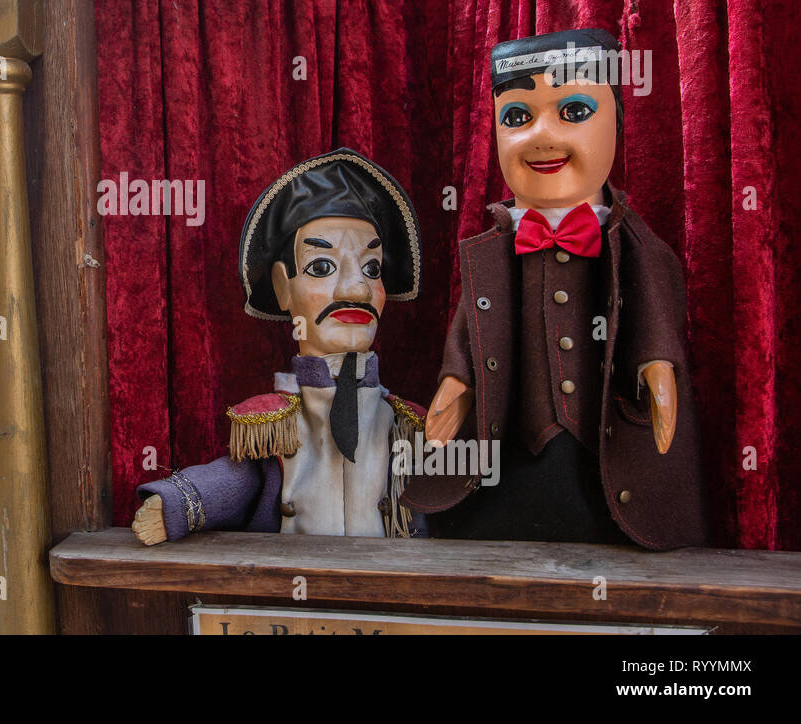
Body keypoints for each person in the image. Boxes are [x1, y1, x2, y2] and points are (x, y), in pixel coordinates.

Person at [404, 28, 709, 549]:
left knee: (598, 505)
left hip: (603, 444)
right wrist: (457, 381)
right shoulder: (493, 246)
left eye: (573, 111)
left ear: (615, 120)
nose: (541, 137)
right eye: (518, 117)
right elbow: (471, 323)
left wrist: (657, 365)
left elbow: (655, 301)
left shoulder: (629, 240)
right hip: (511, 442)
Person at [130, 148, 426, 544]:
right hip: (290, 595)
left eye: (371, 269)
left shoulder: (407, 426)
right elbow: (239, 481)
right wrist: (179, 504)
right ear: (283, 286)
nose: (357, 288)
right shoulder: (273, 423)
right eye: (322, 267)